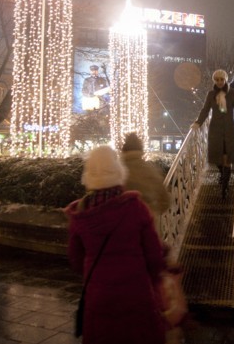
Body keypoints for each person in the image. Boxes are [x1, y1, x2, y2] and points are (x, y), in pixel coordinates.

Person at [65, 146, 167, 344]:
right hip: (136, 294)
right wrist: (156, 279)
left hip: (99, 296)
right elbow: (154, 255)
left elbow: (76, 260)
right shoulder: (136, 208)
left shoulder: (80, 215)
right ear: (118, 171)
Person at [191, 69, 234, 198]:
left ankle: (225, 188)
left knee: (227, 159)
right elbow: (205, 110)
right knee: (218, 158)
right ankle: (223, 175)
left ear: (225, 79)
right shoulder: (211, 94)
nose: (220, 82)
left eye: (222, 79)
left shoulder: (232, 93)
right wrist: (198, 123)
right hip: (215, 130)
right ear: (214, 81)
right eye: (217, 79)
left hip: (229, 130)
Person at [121, 132, 171, 235]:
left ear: (124, 150)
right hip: (148, 218)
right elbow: (164, 198)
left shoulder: (117, 171)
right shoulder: (150, 169)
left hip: (122, 222)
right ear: (141, 149)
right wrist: (156, 210)